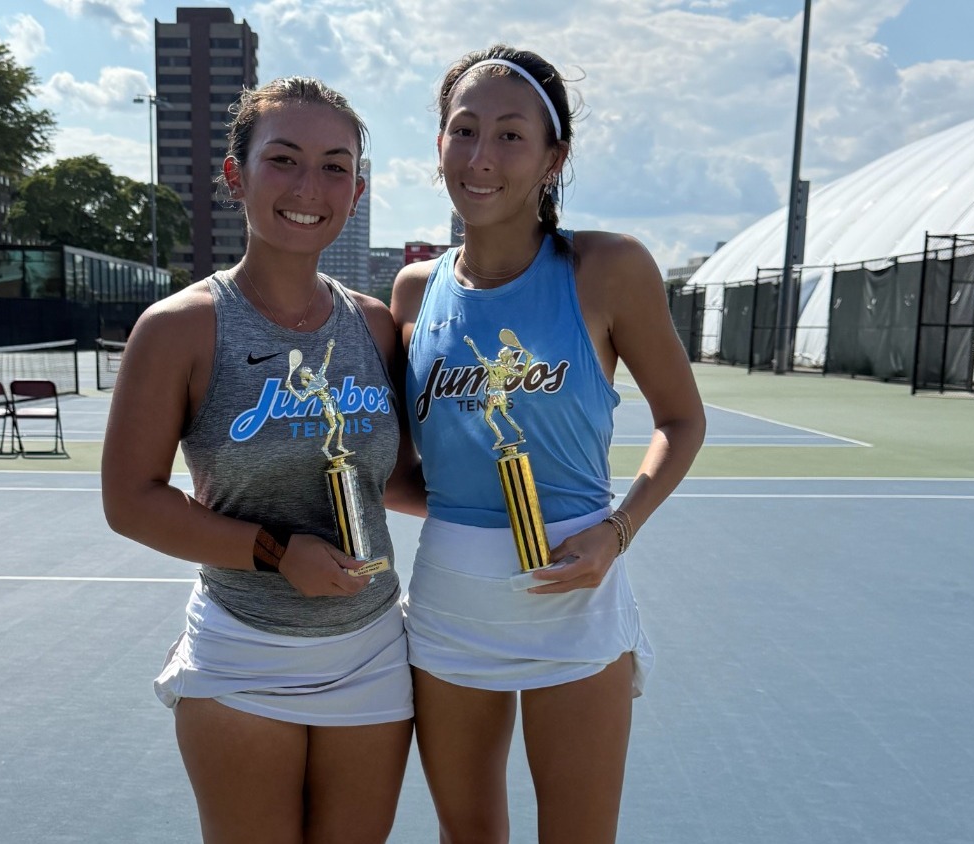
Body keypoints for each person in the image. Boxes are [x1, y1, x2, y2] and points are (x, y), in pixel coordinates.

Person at [389, 46, 707, 843]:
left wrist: (616, 531)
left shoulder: (608, 268)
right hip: (450, 604)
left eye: (510, 135)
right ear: (439, 145)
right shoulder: (414, 291)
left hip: (576, 597)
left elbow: (681, 420)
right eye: (464, 130)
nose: (481, 157)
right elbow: (395, 470)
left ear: (553, 158)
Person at [101, 78, 411, 844]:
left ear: (357, 191)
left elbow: (398, 479)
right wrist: (275, 553)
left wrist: (525, 505)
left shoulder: (375, 326)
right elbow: (131, 500)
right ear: (236, 175)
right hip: (244, 655)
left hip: (372, 653)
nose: (309, 187)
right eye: (284, 159)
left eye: (335, 167)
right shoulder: (179, 329)